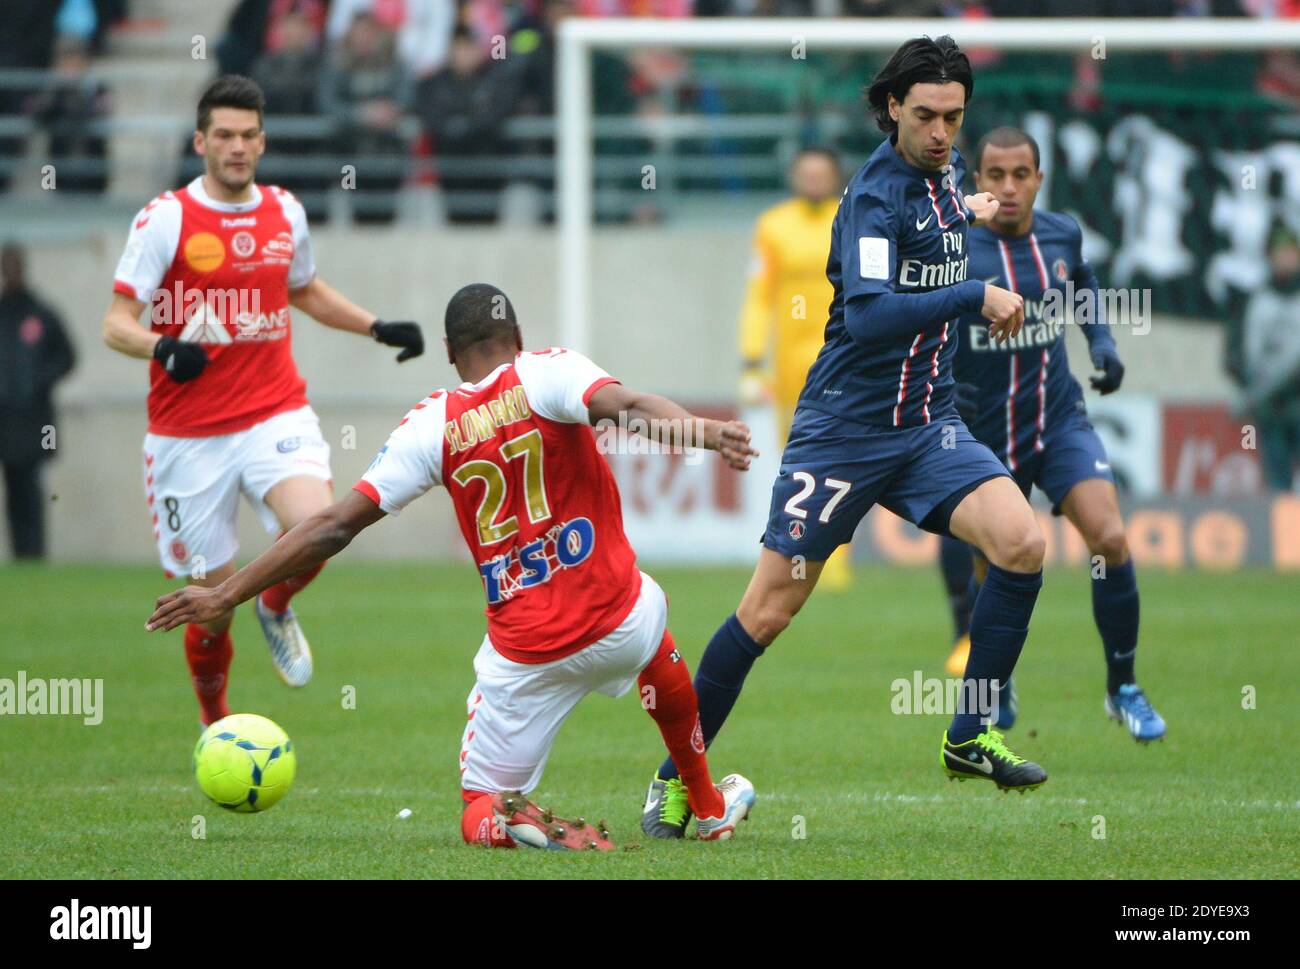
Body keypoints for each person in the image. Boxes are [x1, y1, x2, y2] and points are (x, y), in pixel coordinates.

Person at [146, 283, 759, 850]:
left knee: (476, 804)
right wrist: (704, 432)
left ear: (447, 351)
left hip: (525, 656)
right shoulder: (548, 371)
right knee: (647, 607)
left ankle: (509, 822)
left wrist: (227, 593)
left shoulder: (429, 426)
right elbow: (627, 406)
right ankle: (706, 807)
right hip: (619, 622)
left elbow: (332, 527)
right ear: (518, 338)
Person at [640, 35, 1051, 840]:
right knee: (766, 611)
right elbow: (865, 316)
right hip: (842, 433)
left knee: (1023, 540)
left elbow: (948, 220)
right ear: (892, 107)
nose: (941, 132)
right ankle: (674, 781)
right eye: (926, 115)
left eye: (954, 118)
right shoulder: (872, 197)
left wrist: (981, 213)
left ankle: (969, 733)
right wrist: (973, 293)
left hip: (927, 424)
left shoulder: (947, 178)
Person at [102, 75, 425, 725]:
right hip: (186, 437)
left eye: (249, 135)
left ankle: (274, 602)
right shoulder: (167, 218)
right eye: (224, 134)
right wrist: (163, 347)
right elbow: (116, 322)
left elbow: (302, 289)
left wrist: (374, 325)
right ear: (200, 142)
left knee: (320, 528)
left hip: (273, 410)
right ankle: (214, 720)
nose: (237, 146)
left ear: (263, 141)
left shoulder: (284, 210)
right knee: (210, 603)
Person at [938, 126, 1165, 742]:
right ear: (976, 181)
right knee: (996, 562)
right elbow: (922, 317)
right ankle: (993, 685)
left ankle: (1123, 687)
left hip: (1056, 419)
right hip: (983, 433)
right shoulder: (954, 245)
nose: (1008, 188)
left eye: (1021, 175)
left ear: (1039, 179)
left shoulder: (1062, 234)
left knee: (1111, 537)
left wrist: (1102, 343)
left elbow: (1084, 282)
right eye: (995, 176)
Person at [737, 146, 854, 589]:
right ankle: (796, 550)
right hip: (790, 361)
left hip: (841, 352)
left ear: (833, 177)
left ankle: (836, 560)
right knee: (798, 459)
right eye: (805, 173)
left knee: (845, 453)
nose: (813, 181)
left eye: (821, 174)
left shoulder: (850, 217)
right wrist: (751, 360)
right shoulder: (773, 226)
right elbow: (758, 296)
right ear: (793, 177)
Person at [0, 242, 76, 559]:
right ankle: (20, 555)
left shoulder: (42, 314)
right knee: (13, 489)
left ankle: (34, 554)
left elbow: (68, 357)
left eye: (17, 265)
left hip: (35, 420)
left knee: (31, 486)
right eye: (8, 265)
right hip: (4, 419)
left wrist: (39, 381)